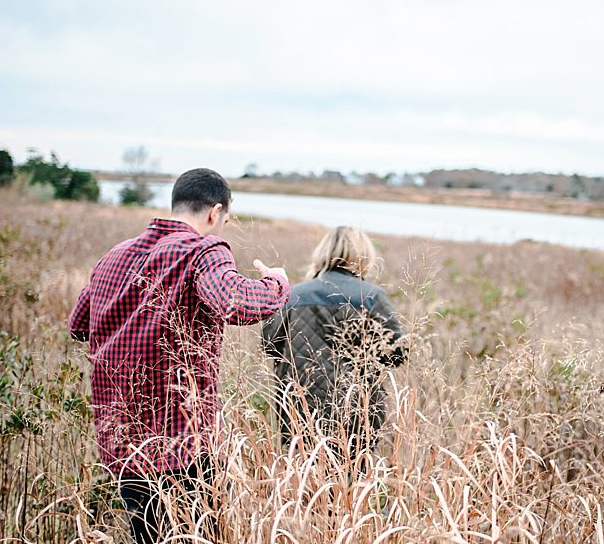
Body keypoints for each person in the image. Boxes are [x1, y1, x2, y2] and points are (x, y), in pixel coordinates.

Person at [68, 168, 289, 543]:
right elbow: (234, 302)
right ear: (215, 213)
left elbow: (78, 325)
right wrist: (276, 282)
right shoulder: (202, 250)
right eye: (224, 221)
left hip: (124, 441)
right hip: (184, 442)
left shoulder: (114, 256)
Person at [262, 226, 408, 463]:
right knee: (352, 479)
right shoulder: (371, 297)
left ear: (323, 253)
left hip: (299, 410)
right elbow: (397, 353)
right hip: (358, 411)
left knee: (304, 478)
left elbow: (269, 345)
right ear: (364, 255)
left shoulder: (292, 296)